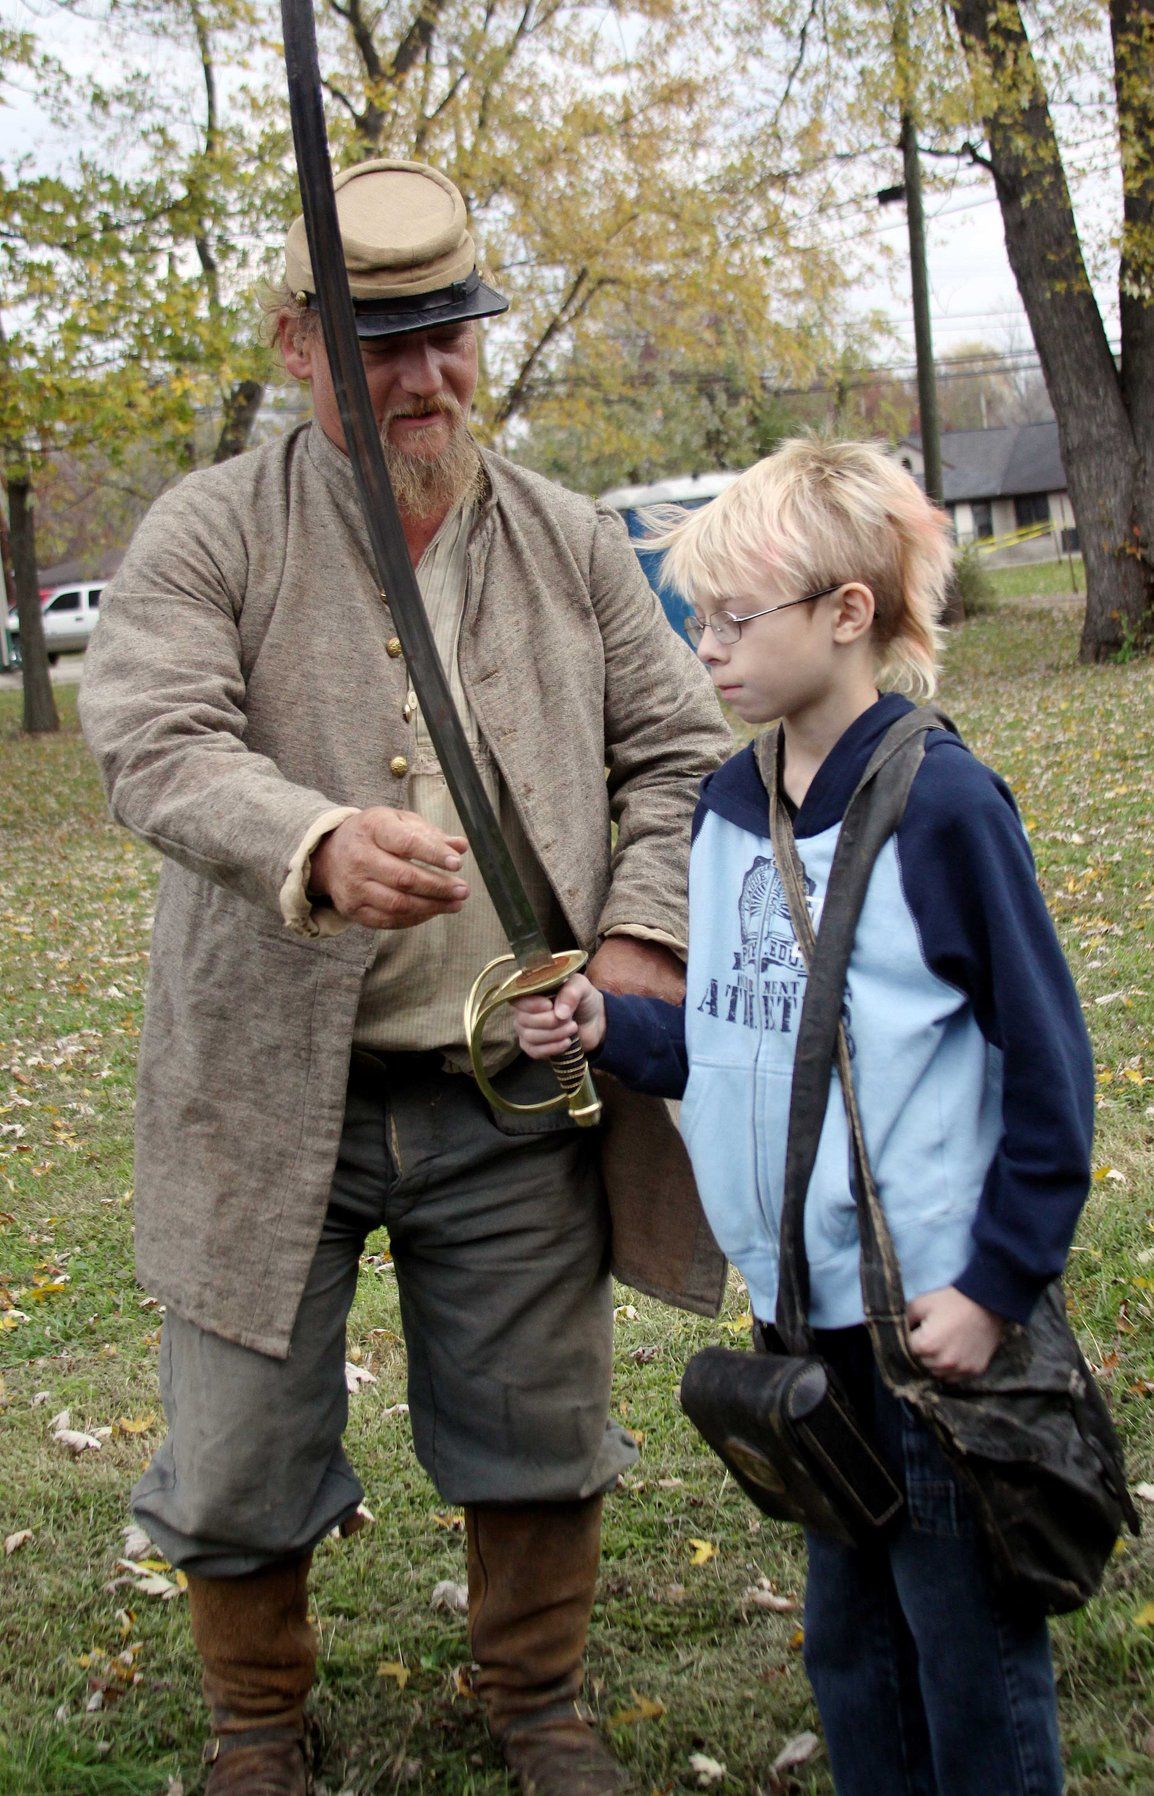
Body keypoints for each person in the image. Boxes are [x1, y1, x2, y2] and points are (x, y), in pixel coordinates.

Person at [79, 157, 731, 1796]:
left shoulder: (573, 543)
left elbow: (678, 751)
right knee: (233, 1450)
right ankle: (252, 1725)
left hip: (508, 1083)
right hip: (260, 1089)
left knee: (536, 1427)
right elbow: (153, 740)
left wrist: (639, 945)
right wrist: (306, 844)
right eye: (385, 340)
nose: (429, 376)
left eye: (452, 335)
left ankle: (535, 1704)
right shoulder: (205, 530)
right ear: (301, 347)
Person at [512, 438, 1095, 1796]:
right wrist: (613, 1027)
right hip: (798, 1322)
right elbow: (729, 1037)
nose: (702, 648)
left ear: (846, 614)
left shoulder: (942, 805)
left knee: (966, 1651)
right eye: (692, 618)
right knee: (851, 1647)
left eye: (730, 619)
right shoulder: (724, 809)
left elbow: (1049, 1073)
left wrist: (994, 1287)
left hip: (928, 1328)